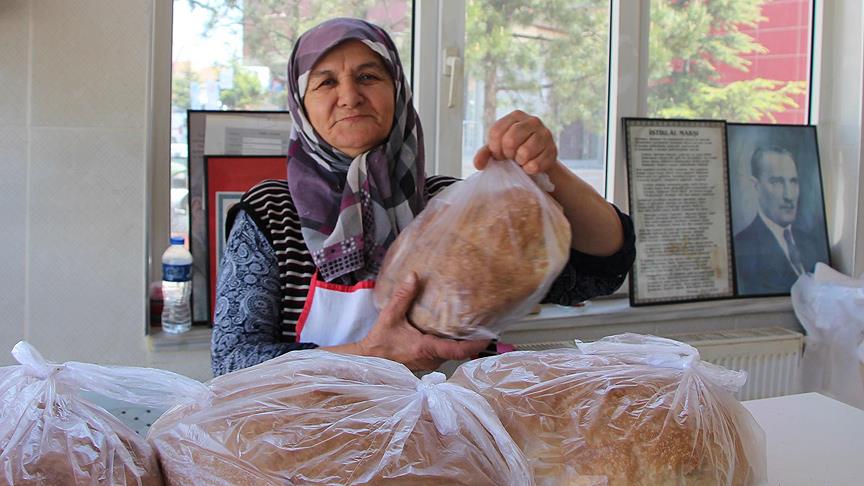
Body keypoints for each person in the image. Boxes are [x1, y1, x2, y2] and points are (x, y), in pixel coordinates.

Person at [211, 17, 636, 376]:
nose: (350, 95)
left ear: (397, 90)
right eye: (325, 82)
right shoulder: (270, 213)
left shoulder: (453, 205)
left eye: (368, 76)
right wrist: (370, 356)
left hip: (443, 439)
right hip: (308, 448)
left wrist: (547, 169)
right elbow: (233, 362)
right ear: (300, 104)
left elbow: (600, 271)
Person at [734, 146, 824, 295]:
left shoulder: (812, 243)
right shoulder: (741, 249)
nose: (789, 196)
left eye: (793, 182)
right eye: (777, 182)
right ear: (756, 186)